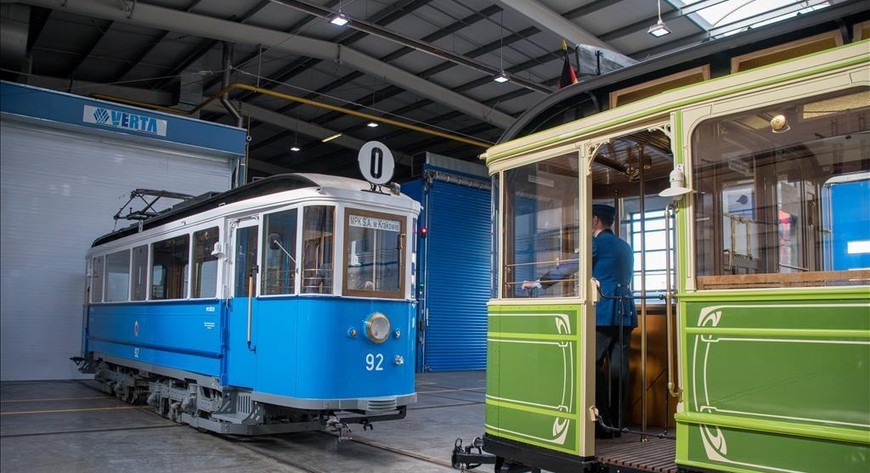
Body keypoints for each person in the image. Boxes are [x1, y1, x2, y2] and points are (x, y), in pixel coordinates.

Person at [522, 204, 637, 438]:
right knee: (619, 369)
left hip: (604, 312)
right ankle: (617, 424)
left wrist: (539, 283)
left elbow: (570, 266)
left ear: (595, 220)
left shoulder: (596, 243)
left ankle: (602, 424)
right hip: (626, 312)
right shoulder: (624, 246)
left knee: (590, 365)